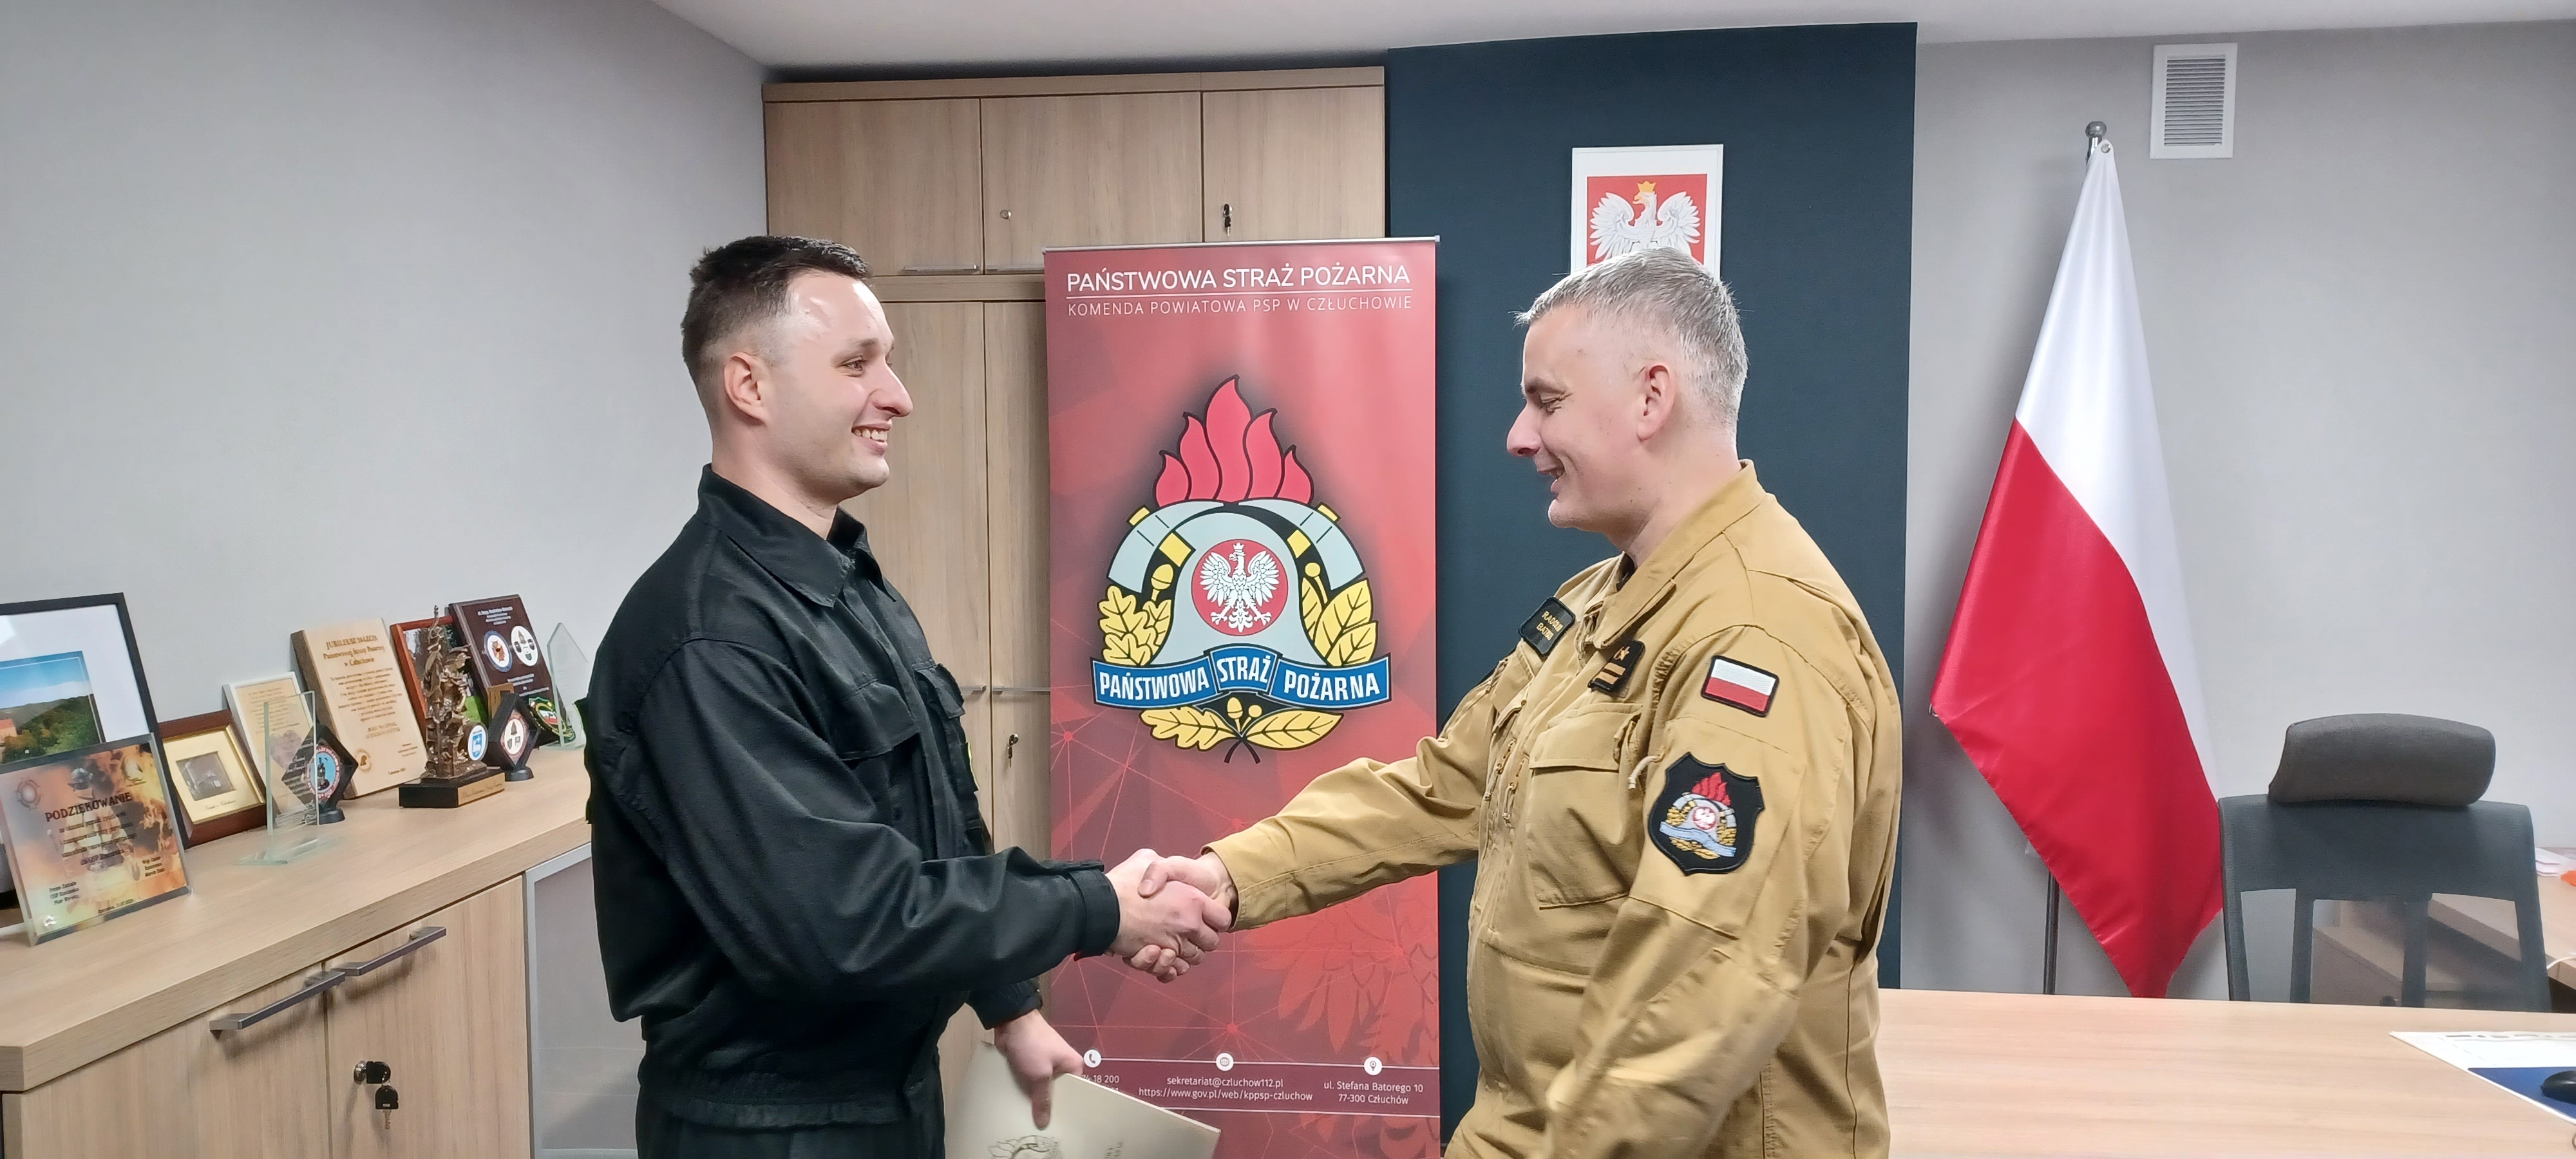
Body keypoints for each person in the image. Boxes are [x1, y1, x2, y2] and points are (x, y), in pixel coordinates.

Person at [1138, 246, 1903, 1158]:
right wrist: (1232, 877)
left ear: (1652, 399)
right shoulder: (1600, 602)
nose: (1518, 436)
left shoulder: (1756, 634)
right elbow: (1447, 786)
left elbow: (1703, 982)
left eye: (1548, 401)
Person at [583, 235, 1232, 1159]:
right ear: (749, 386)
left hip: (890, 1098)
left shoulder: (845, 581)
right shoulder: (709, 639)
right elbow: (841, 922)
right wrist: (1102, 907)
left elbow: (936, 822)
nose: (897, 396)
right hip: (773, 1131)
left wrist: (1009, 1007)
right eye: (857, 365)